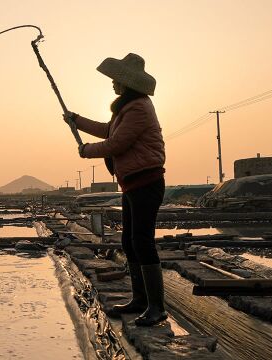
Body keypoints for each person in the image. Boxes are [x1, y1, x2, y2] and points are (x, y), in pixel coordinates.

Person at [64, 53, 167, 326]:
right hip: (133, 183)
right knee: (128, 241)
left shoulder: (138, 109)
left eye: (116, 80)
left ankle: (156, 306)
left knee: (142, 241)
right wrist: (76, 119)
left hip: (146, 182)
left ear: (126, 83)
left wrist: (86, 152)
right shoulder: (126, 108)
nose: (112, 84)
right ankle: (140, 300)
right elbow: (107, 130)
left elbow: (116, 144)